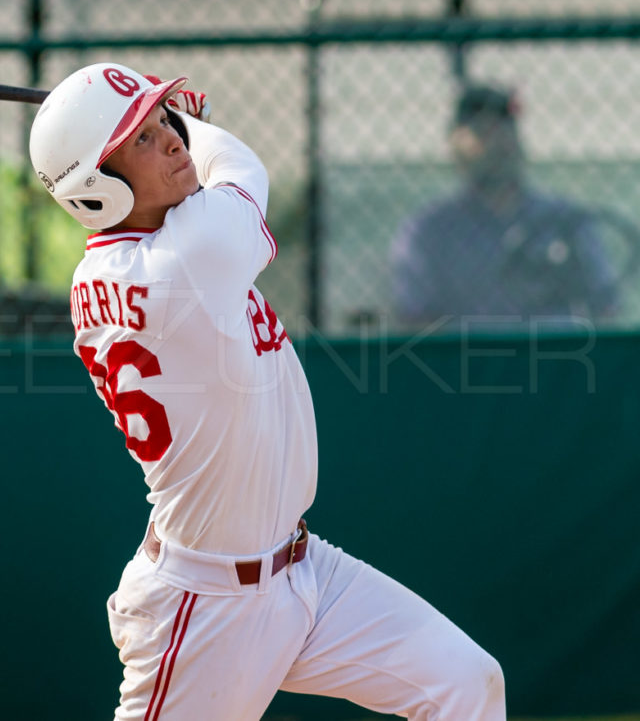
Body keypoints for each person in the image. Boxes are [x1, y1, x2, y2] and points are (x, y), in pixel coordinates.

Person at [29, 63, 506, 720]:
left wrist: (149, 123)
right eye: (142, 138)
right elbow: (243, 166)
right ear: (96, 188)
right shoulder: (188, 254)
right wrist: (199, 121)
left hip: (302, 569)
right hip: (205, 608)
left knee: (465, 681)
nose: (171, 139)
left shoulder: (121, 261)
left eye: (164, 122)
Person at [390, 82, 620, 329]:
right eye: (482, 133)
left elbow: (605, 307)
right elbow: (415, 318)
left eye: (505, 130)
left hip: (555, 361)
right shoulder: (430, 231)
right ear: (455, 146)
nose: (497, 144)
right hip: (467, 362)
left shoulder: (565, 219)